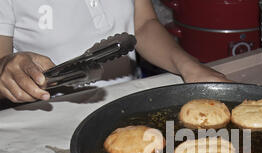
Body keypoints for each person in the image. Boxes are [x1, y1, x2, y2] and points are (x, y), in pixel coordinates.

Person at [0, 0, 229, 103]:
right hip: (51, 119)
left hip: (127, 102)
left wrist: (189, 67)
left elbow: (142, 24)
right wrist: (9, 71)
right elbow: (3, 67)